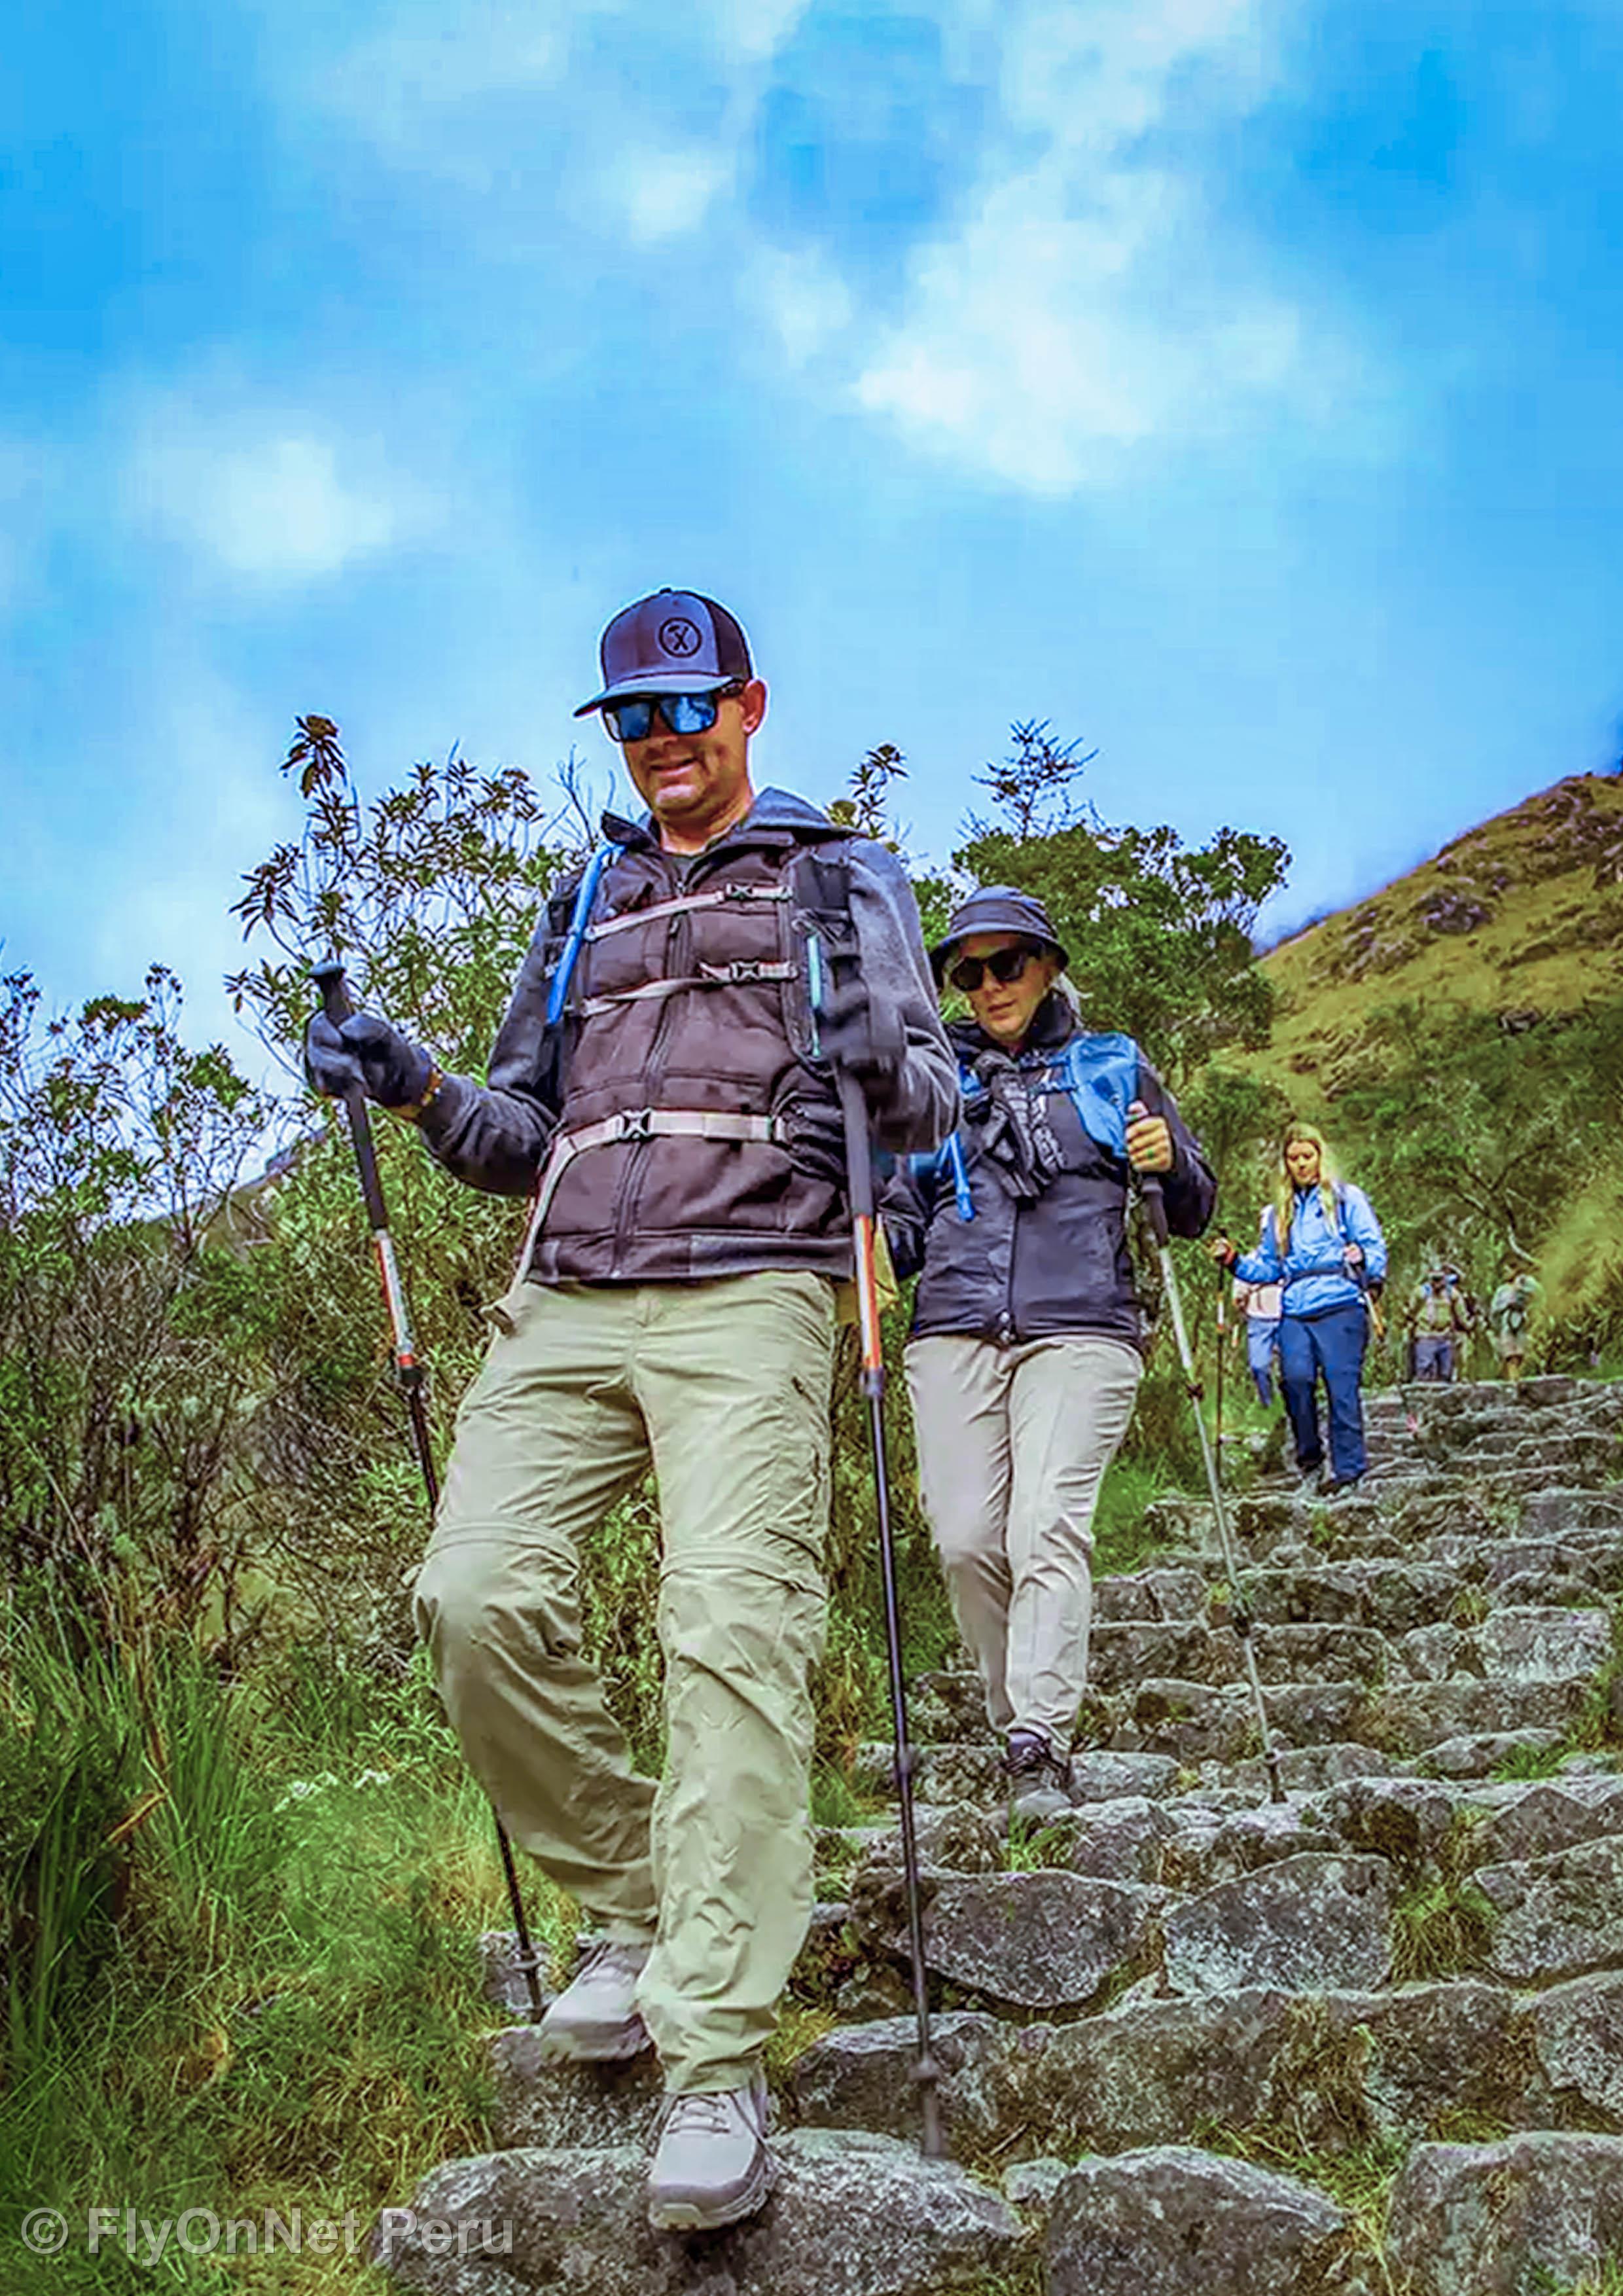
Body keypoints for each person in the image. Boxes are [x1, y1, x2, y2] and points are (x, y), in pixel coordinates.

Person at [304, 590, 957, 2233]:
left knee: (730, 1630)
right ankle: (633, 1896)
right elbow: (517, 1132)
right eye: (635, 718)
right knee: (470, 1595)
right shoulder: (585, 893)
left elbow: (932, 1101)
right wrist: (415, 1082)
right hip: (572, 1285)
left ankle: (717, 2051)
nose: (664, 740)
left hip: (752, 1288)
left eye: (688, 709)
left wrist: (869, 1083)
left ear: (748, 703)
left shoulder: (838, 874)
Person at [882, 888, 1215, 1824]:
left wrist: (1169, 1160)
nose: (989, 986)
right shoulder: (933, 1082)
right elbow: (903, 1222)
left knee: (1045, 1526)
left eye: (1008, 964)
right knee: (963, 1539)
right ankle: (1012, 1717)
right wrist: (858, 1236)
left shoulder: (1114, 1066)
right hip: (952, 1324)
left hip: (1084, 1326)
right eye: (970, 971)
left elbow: (1191, 1210)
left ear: (1049, 965)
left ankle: (1039, 1737)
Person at [1210, 1122, 1386, 1496]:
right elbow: (1271, 1267)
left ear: (1320, 1157)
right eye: (1294, 1158)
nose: (1302, 1164)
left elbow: (1371, 1241)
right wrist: (1233, 1261)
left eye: (1308, 1156)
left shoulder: (1345, 1199)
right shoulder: (1279, 1214)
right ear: (1286, 1164)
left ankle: (1350, 1473)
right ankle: (1310, 1462)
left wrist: (1371, 1270)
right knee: (1296, 1381)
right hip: (1295, 1307)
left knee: (1342, 1389)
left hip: (1340, 1301)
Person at [1232, 1214, 1283, 1408]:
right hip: (1259, 1319)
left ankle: (1290, 1406)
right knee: (1259, 1366)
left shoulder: (1293, 1257)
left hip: (1287, 1317)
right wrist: (1239, 1299)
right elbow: (1239, 1289)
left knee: (1292, 1370)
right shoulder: (1251, 1260)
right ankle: (1267, 1405)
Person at [1404, 1263, 1471, 1383]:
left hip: (1445, 1337)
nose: (1437, 1283)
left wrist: (1468, 1325)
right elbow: (1411, 1312)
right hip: (1425, 1335)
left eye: (1439, 1279)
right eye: (1434, 1279)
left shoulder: (1453, 1294)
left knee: (1446, 1372)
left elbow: (1461, 1314)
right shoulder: (1421, 1292)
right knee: (1425, 1370)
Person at [1489, 1264, 1542, 1381]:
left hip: (1522, 1324)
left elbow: (1539, 1295)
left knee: (1520, 1355)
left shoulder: (1526, 1284)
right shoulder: (1502, 1290)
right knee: (1510, 1356)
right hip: (1507, 1325)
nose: (1505, 1274)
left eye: (1508, 1271)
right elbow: (1494, 1311)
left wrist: (1523, 1285)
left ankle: (1516, 1379)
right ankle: (1513, 1382)